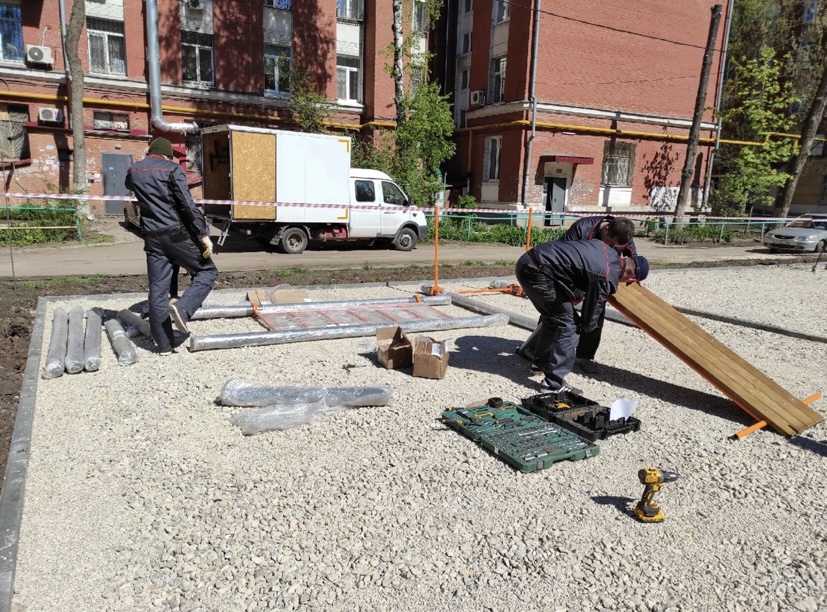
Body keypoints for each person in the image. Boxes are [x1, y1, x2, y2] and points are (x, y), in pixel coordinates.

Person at [515, 239, 649, 393]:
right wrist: (585, 330)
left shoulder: (607, 250)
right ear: (631, 279)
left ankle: (539, 364)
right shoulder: (607, 276)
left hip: (529, 261)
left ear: (626, 258)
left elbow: (577, 265)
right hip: (536, 272)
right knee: (569, 325)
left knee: (554, 317)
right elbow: (592, 311)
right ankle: (552, 384)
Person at [125, 137, 217, 355]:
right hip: (176, 234)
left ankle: (164, 345)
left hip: (151, 237)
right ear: (166, 155)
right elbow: (187, 204)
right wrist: (203, 233)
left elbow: (129, 185)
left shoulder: (134, 170)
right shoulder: (172, 169)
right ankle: (182, 309)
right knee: (207, 271)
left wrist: (143, 160)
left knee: (158, 289)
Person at [562, 215, 638, 373]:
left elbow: (634, 261)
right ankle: (541, 350)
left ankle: (585, 356)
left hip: (600, 279)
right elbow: (563, 254)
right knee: (559, 309)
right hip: (576, 274)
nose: (611, 248)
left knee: (596, 313)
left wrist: (634, 277)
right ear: (607, 228)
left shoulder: (624, 234)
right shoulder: (582, 228)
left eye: (615, 246)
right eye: (610, 243)